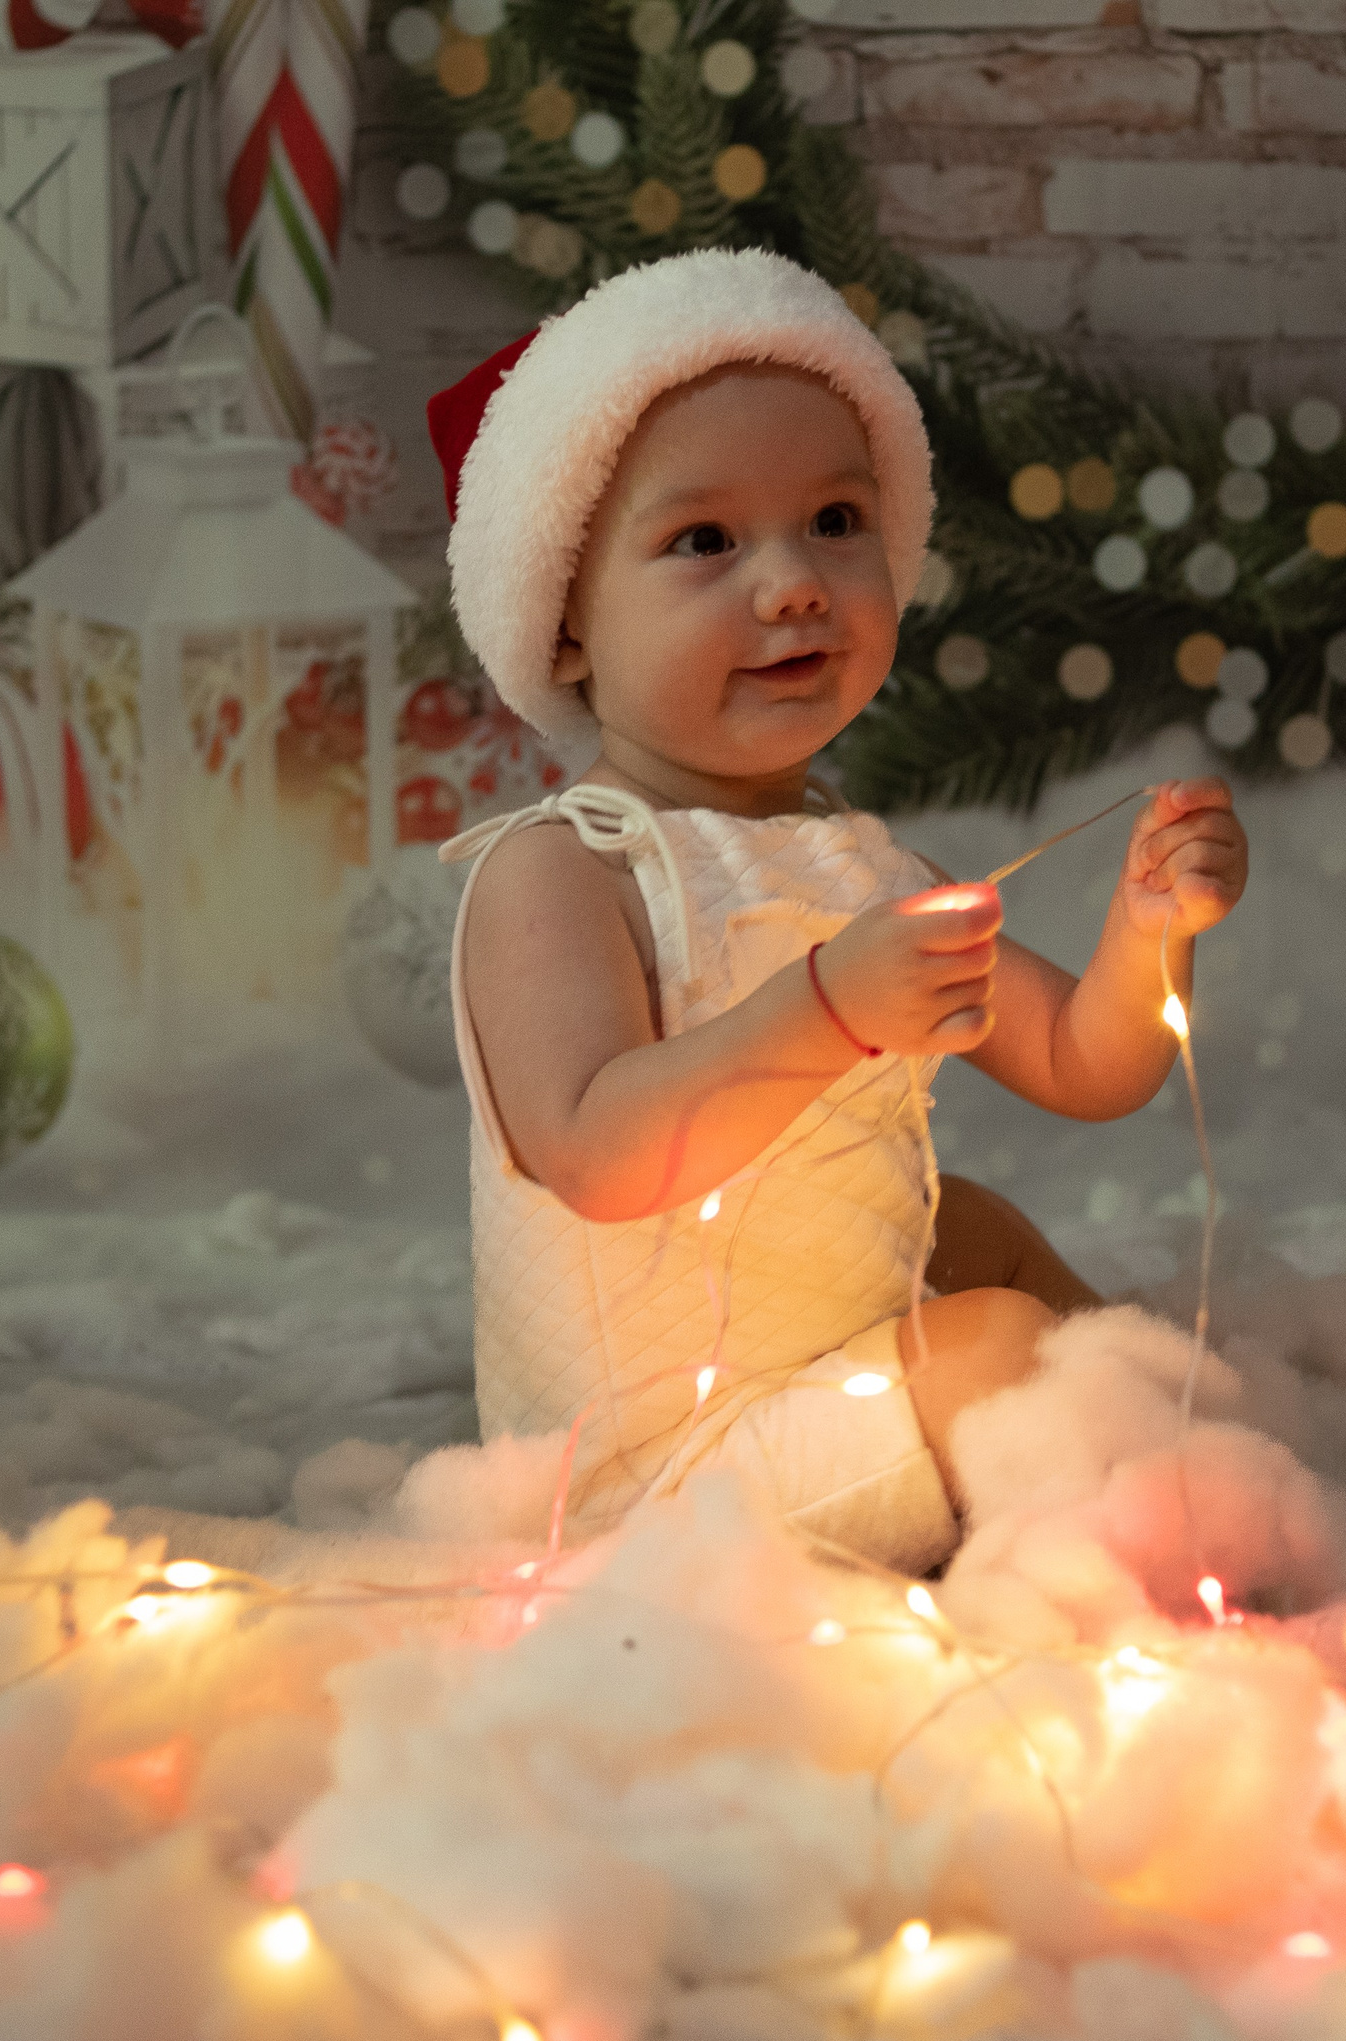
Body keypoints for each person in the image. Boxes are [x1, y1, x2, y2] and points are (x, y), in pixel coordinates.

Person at [432, 248, 1247, 1575]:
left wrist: (1151, 930)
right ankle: (1117, 1490)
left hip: (821, 1387)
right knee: (991, 1342)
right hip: (662, 1484)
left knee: (968, 1223)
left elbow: (1088, 1065)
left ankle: (1162, 1440)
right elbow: (595, 1152)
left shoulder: (858, 864)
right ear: (564, 625)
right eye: (704, 541)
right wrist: (823, 1014)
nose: (796, 582)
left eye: (834, 521)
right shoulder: (561, 872)